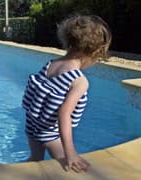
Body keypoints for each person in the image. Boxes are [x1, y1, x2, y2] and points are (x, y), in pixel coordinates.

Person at [22, 15, 112, 173]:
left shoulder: (51, 64)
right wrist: (71, 153)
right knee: (70, 167)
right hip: (50, 133)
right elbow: (64, 114)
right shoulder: (79, 81)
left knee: (35, 161)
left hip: (32, 126)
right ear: (95, 52)